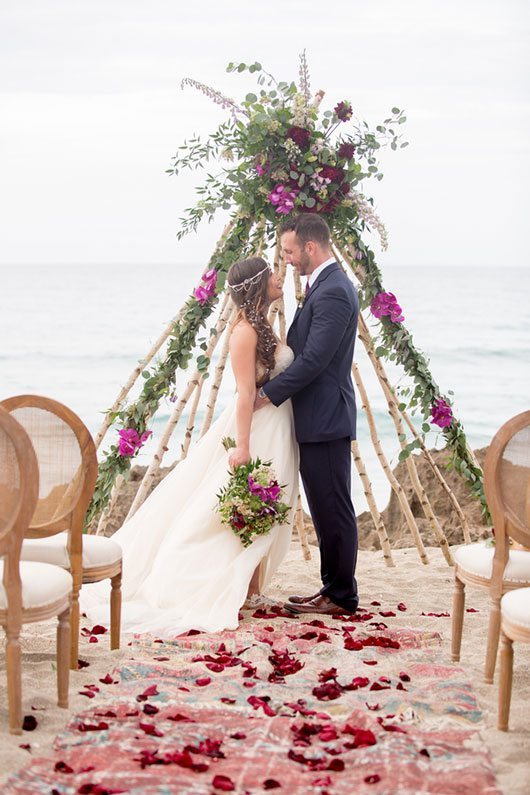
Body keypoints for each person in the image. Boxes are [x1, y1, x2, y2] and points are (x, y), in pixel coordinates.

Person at [80, 258, 299, 636]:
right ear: (258, 283)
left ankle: (252, 589)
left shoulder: (264, 324)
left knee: (265, 504)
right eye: (272, 272)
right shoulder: (244, 332)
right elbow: (246, 393)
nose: (280, 276)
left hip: (277, 426)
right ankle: (201, 580)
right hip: (256, 430)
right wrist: (243, 446)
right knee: (240, 504)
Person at [256, 213, 359, 616]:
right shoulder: (323, 287)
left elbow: (315, 358)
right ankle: (331, 588)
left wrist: (268, 393)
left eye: (289, 251)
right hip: (318, 416)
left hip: (326, 416)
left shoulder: (333, 291)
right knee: (325, 506)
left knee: (333, 506)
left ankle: (341, 596)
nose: (288, 260)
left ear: (310, 248)